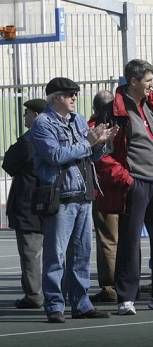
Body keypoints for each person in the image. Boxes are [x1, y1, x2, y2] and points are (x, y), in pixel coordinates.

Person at [94, 59, 153, 315]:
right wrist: (128, 180)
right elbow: (102, 153)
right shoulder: (112, 111)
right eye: (147, 81)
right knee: (129, 241)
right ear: (133, 81)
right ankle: (126, 297)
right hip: (135, 184)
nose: (152, 86)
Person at [31, 77, 117, 323]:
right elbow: (55, 155)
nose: (74, 98)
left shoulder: (78, 121)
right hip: (61, 197)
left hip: (83, 194)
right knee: (56, 256)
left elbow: (90, 155)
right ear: (56, 97)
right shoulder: (43, 124)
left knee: (81, 254)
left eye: (75, 94)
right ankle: (55, 305)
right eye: (70, 95)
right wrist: (88, 142)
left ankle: (81, 304)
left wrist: (104, 142)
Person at [4, 99, 46, 309]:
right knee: (57, 252)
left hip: (29, 203)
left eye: (27, 113)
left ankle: (34, 295)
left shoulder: (29, 141)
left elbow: (8, 162)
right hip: (54, 201)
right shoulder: (57, 136)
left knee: (30, 253)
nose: (24, 117)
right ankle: (57, 292)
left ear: (36, 115)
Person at [88, 90, 119, 303]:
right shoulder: (123, 125)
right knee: (127, 237)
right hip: (126, 185)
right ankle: (127, 283)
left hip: (103, 189)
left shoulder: (92, 128)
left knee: (107, 240)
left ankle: (109, 287)